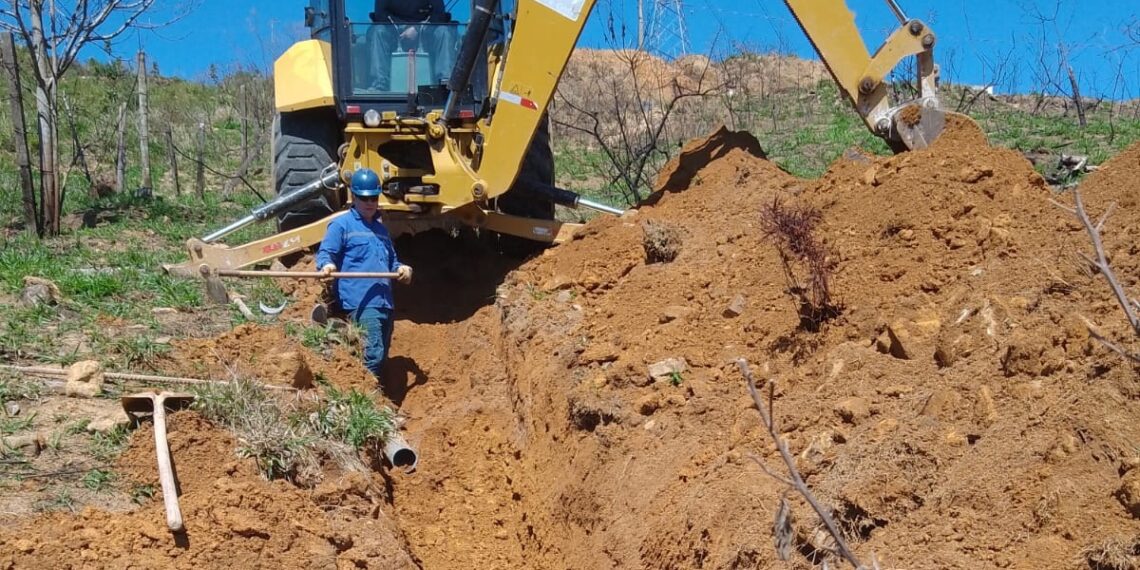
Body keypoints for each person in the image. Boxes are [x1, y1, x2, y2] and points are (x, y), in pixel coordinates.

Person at [317, 168, 413, 377]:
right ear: (354, 196)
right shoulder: (342, 225)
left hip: (384, 302)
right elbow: (326, 253)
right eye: (364, 198)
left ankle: (373, 392)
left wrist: (401, 269)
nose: (370, 202)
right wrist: (327, 265)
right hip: (360, 300)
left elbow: (392, 262)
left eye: (374, 197)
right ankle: (365, 397)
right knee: (373, 353)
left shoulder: (381, 230)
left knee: (382, 353)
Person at [369, 0, 455, 90]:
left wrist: (416, 28)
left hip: (426, 29)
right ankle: (379, 84)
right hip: (394, 30)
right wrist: (402, 27)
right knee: (378, 31)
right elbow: (380, 14)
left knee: (443, 31)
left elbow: (439, 13)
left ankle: (446, 84)